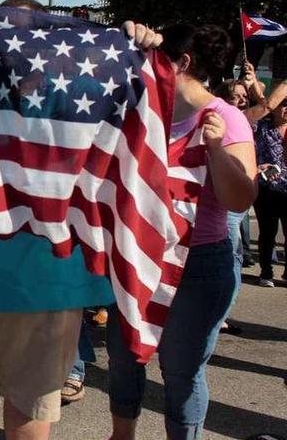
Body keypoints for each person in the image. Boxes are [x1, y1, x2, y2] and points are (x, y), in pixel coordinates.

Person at [0, 0, 156, 440]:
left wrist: (142, 53)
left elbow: (157, 117)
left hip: (46, 279)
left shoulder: (89, 88)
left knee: (31, 405)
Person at [106, 23, 257, 440]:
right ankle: (122, 435)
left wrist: (215, 151)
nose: (146, 67)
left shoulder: (225, 119)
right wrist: (127, 38)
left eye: (156, 60)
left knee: (181, 369)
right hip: (137, 253)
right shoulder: (144, 108)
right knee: (123, 357)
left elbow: (241, 198)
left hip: (200, 262)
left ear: (182, 63)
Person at [253, 99, 287, 287]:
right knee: (268, 232)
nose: (286, 109)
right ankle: (266, 271)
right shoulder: (262, 127)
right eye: (284, 104)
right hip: (267, 189)